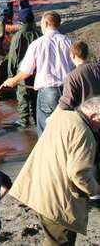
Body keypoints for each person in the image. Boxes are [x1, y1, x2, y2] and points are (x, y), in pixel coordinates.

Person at [7, 97, 100, 245]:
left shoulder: (62, 115)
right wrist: (95, 189)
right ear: (94, 116)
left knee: (52, 239)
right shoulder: (84, 133)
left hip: (37, 188)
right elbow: (79, 172)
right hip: (57, 200)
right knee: (60, 241)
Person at [2, 11, 74, 136]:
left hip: (48, 91)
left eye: (41, 23)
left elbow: (26, 71)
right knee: (67, 126)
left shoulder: (37, 44)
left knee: (46, 130)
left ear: (46, 23)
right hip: (69, 90)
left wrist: (12, 80)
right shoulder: (70, 41)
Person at [5, 8, 41, 127]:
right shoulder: (39, 34)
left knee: (23, 96)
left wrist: (11, 75)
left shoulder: (18, 36)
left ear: (20, 22)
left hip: (22, 72)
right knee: (36, 96)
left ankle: (23, 120)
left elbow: (13, 58)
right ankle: (36, 120)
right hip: (37, 71)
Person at [59, 41, 100, 111]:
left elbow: (66, 104)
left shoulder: (72, 77)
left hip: (87, 116)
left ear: (72, 55)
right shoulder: (98, 67)